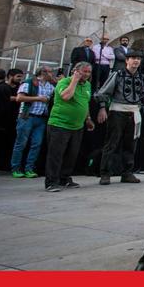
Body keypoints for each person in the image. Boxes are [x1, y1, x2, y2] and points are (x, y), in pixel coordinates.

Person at [95, 51, 144, 185]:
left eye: (138, 59)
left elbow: (143, 94)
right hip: (118, 111)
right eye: (133, 58)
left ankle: (127, 172)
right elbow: (103, 92)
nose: (136, 61)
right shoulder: (118, 74)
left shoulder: (141, 77)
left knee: (131, 144)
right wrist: (102, 107)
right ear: (127, 60)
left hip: (134, 112)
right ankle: (105, 173)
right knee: (112, 143)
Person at [44, 62, 95, 192]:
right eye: (84, 71)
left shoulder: (88, 85)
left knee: (71, 155)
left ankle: (64, 178)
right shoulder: (64, 82)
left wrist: (88, 118)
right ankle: (51, 181)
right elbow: (66, 96)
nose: (87, 74)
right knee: (56, 154)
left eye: (89, 72)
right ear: (75, 71)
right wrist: (74, 81)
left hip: (77, 126)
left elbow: (85, 102)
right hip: (60, 124)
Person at [11, 66, 55, 178]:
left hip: (41, 117)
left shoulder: (51, 86)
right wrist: (38, 98)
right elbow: (19, 98)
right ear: (43, 73)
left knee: (36, 143)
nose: (52, 74)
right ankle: (15, 167)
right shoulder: (30, 83)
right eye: (50, 72)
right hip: (27, 116)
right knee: (21, 143)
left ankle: (29, 168)